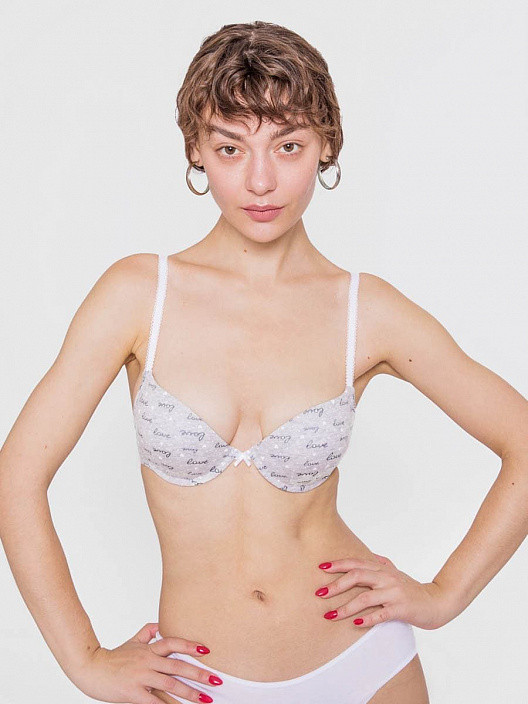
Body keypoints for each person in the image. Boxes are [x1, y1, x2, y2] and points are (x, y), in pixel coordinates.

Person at [1, 20, 527, 704]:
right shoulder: (139, 295)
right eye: (230, 148)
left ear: (326, 143)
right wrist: (85, 660)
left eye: (288, 146)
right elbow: (18, 476)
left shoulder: (366, 311)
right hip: (199, 681)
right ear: (195, 148)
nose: (260, 180)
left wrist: (444, 594)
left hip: (363, 663)